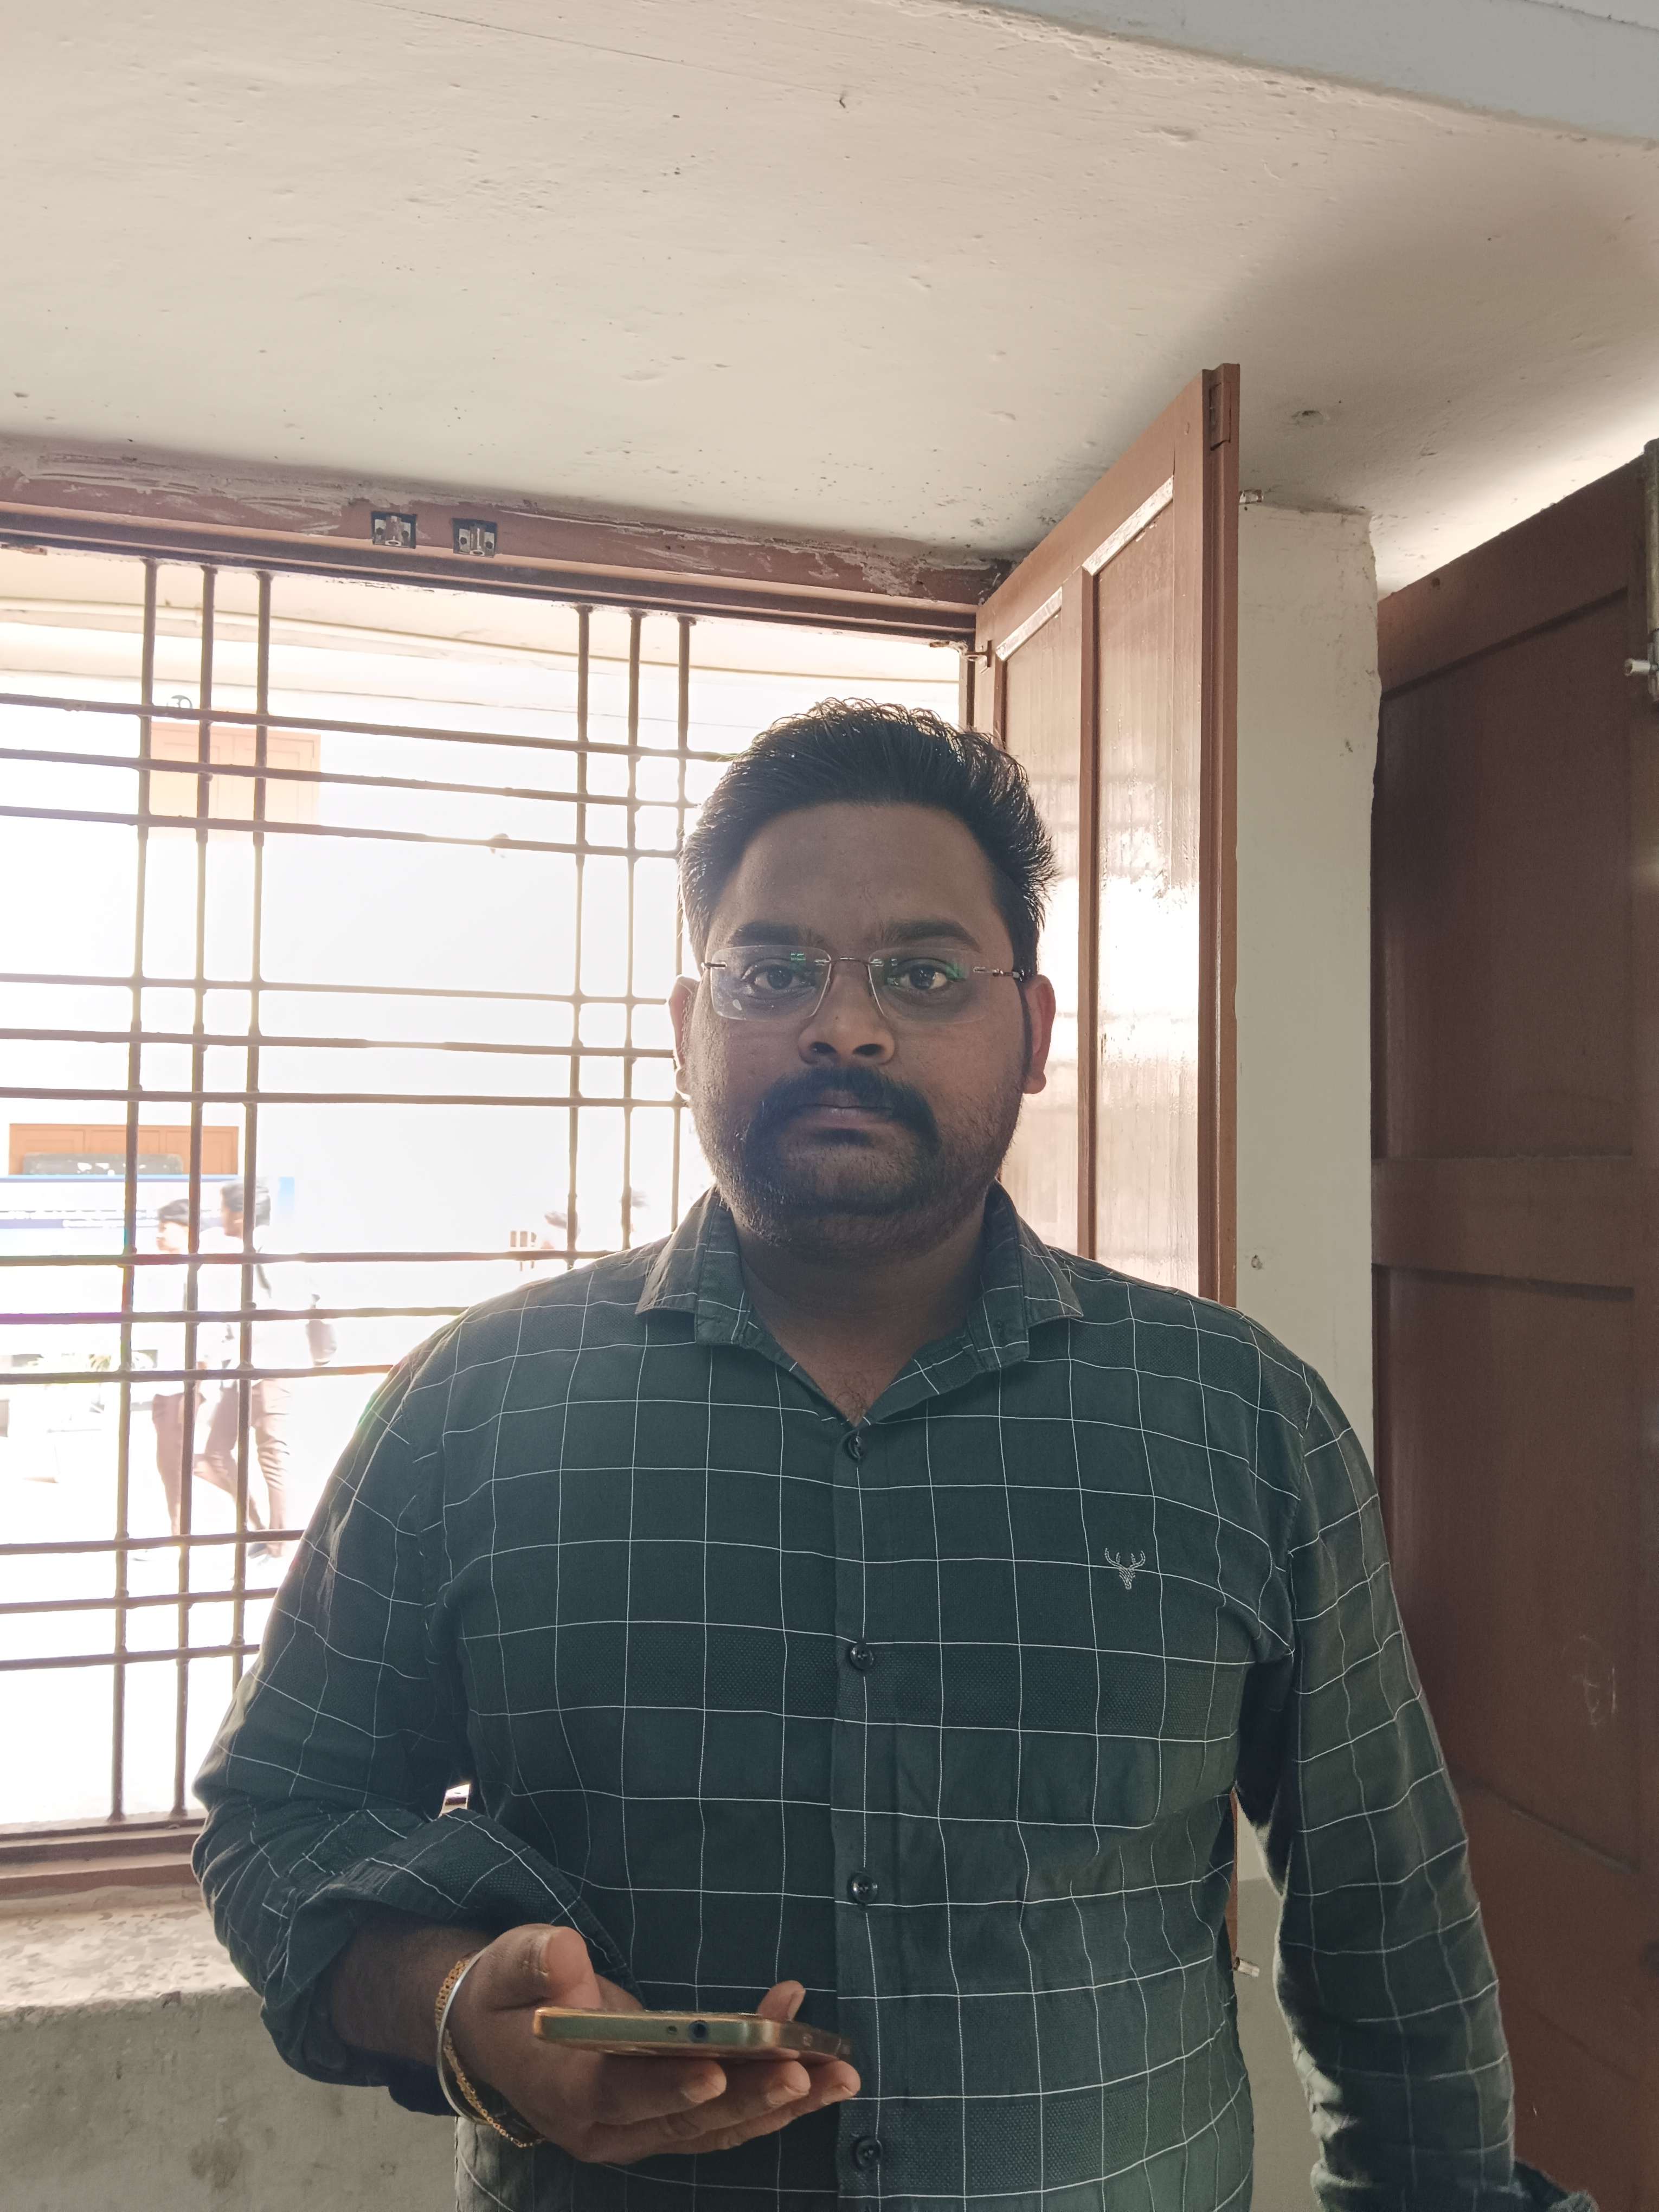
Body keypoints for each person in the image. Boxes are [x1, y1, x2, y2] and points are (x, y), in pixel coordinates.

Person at [195, 704, 1592, 2212]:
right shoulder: (476, 1403)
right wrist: (458, 2003)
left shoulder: (1238, 1417)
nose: (845, 1027)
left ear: (1034, 1033)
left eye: (922, 973)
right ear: (685, 1025)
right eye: (773, 971)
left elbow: (1387, 1916)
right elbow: (279, 1824)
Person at [196, 1176, 332, 1558]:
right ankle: (260, 1531)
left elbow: (290, 1312)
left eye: (224, 1209)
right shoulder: (248, 1255)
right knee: (213, 1456)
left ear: (241, 1215)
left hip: (271, 1370)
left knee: (271, 1458)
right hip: (247, 1370)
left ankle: (279, 1546)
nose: (220, 1216)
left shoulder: (275, 1255)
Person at [132, 1194, 197, 1534]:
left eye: (165, 1227)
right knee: (168, 1462)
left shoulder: (197, 1274)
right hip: (164, 1381)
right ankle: (178, 1527)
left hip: (186, 1383)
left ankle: (183, 1530)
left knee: (185, 1461)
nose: (159, 1234)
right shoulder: (162, 1272)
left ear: (187, 1230)